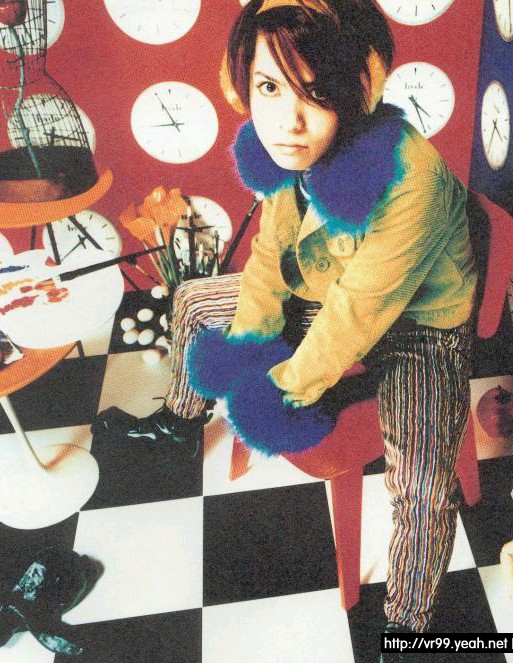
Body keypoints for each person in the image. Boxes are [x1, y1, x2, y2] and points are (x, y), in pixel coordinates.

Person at [94, 0, 477, 655]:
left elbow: (358, 313)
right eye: (269, 87)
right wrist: (248, 343)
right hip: (329, 286)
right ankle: (179, 427)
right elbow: (273, 253)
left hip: (419, 323)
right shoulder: (280, 150)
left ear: (357, 90)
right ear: (241, 85)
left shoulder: (409, 177)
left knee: (422, 486)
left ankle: (409, 625)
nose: (288, 120)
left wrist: (281, 390)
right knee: (194, 301)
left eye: (316, 93)